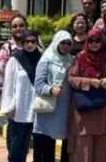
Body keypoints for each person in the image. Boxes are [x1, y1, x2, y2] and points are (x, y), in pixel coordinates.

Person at [67, 28, 106, 162]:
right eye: (91, 41)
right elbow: (72, 78)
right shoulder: (80, 57)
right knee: (83, 147)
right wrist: (90, 82)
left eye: (97, 40)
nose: (94, 43)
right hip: (84, 109)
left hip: (101, 109)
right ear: (87, 42)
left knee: (100, 147)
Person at [33, 31, 75, 162]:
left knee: (66, 150)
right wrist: (51, 90)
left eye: (68, 43)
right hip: (48, 110)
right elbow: (38, 85)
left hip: (65, 111)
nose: (65, 46)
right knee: (45, 150)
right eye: (63, 42)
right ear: (56, 42)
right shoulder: (46, 59)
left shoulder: (71, 60)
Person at [1, 31, 41, 162]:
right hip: (20, 110)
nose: (30, 44)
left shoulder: (42, 59)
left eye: (33, 41)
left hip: (38, 108)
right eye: (27, 42)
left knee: (37, 145)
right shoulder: (15, 59)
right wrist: (8, 107)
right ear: (22, 43)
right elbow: (8, 85)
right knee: (17, 144)